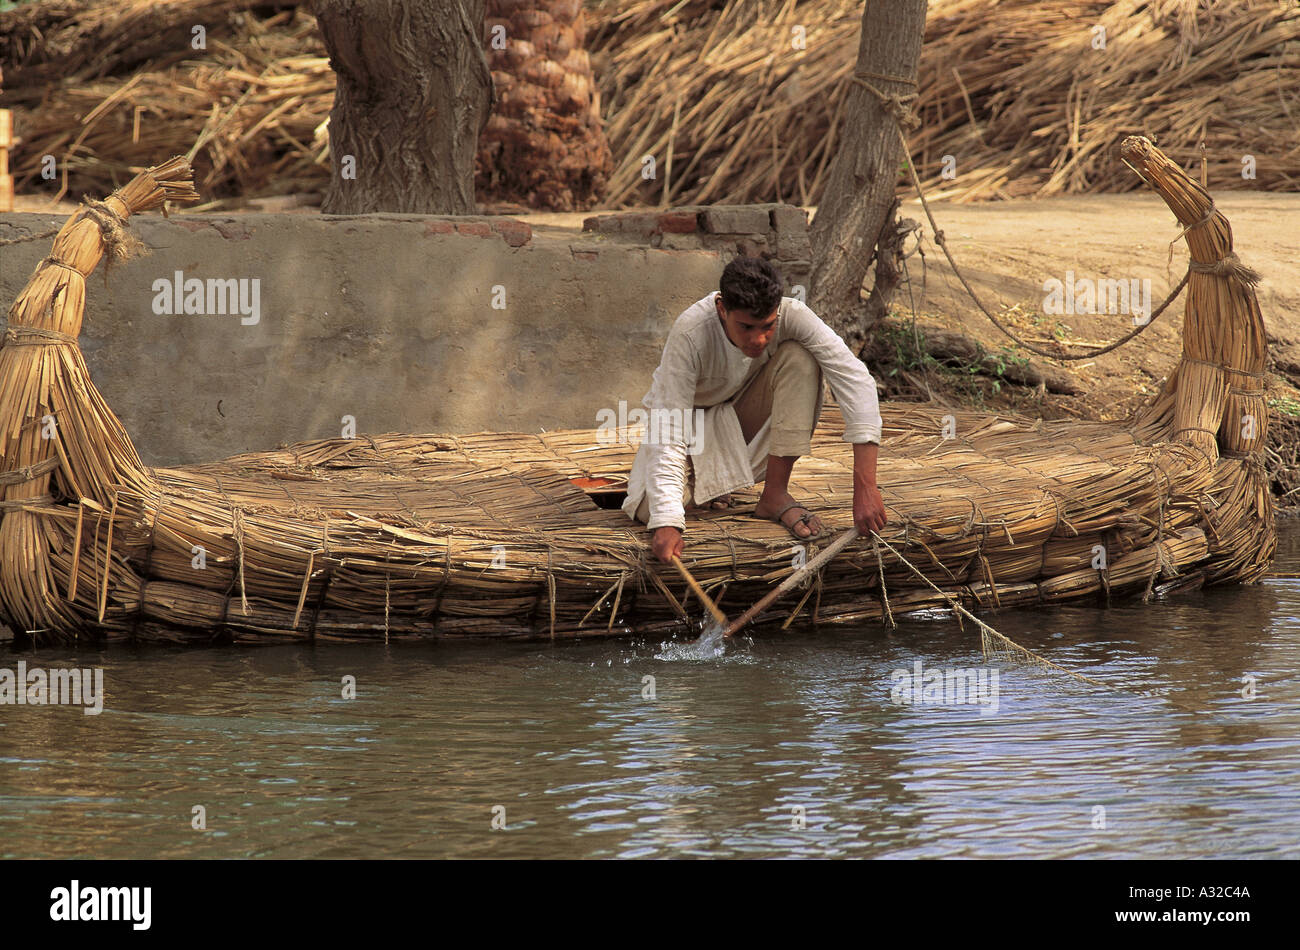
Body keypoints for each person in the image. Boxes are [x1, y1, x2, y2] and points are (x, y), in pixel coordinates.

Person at [622, 256, 887, 563]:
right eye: (746, 326)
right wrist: (668, 522)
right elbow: (669, 428)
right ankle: (708, 488)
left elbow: (855, 380)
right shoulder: (690, 332)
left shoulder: (795, 315)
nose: (759, 338)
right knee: (648, 510)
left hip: (739, 420)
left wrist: (866, 486)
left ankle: (775, 493)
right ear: (722, 309)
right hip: (688, 431)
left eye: (768, 326)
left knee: (800, 358)